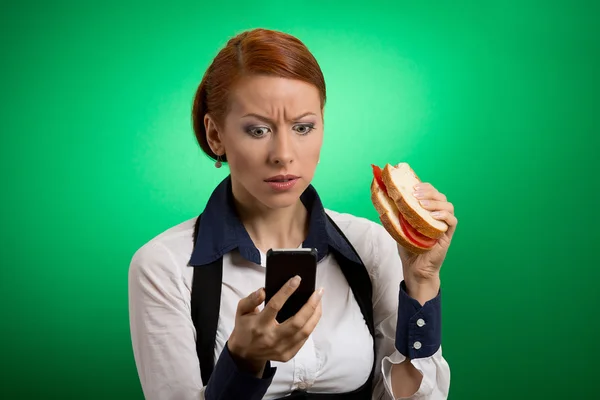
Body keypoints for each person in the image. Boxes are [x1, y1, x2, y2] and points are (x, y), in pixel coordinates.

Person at [128, 28, 457, 400]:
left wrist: (422, 282)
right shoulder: (164, 266)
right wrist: (243, 362)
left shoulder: (370, 245)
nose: (283, 153)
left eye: (303, 127)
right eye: (257, 130)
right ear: (215, 134)